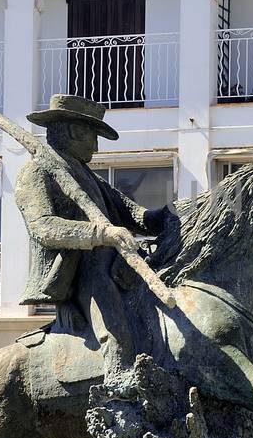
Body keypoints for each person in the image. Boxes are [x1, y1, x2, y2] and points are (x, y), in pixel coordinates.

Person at [15, 94, 163, 348]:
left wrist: (174, 216)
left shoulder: (86, 175)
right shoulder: (37, 171)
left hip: (115, 264)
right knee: (117, 333)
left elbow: (134, 214)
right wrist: (101, 234)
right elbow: (43, 227)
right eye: (93, 136)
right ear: (74, 131)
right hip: (80, 273)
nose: (96, 148)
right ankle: (120, 373)